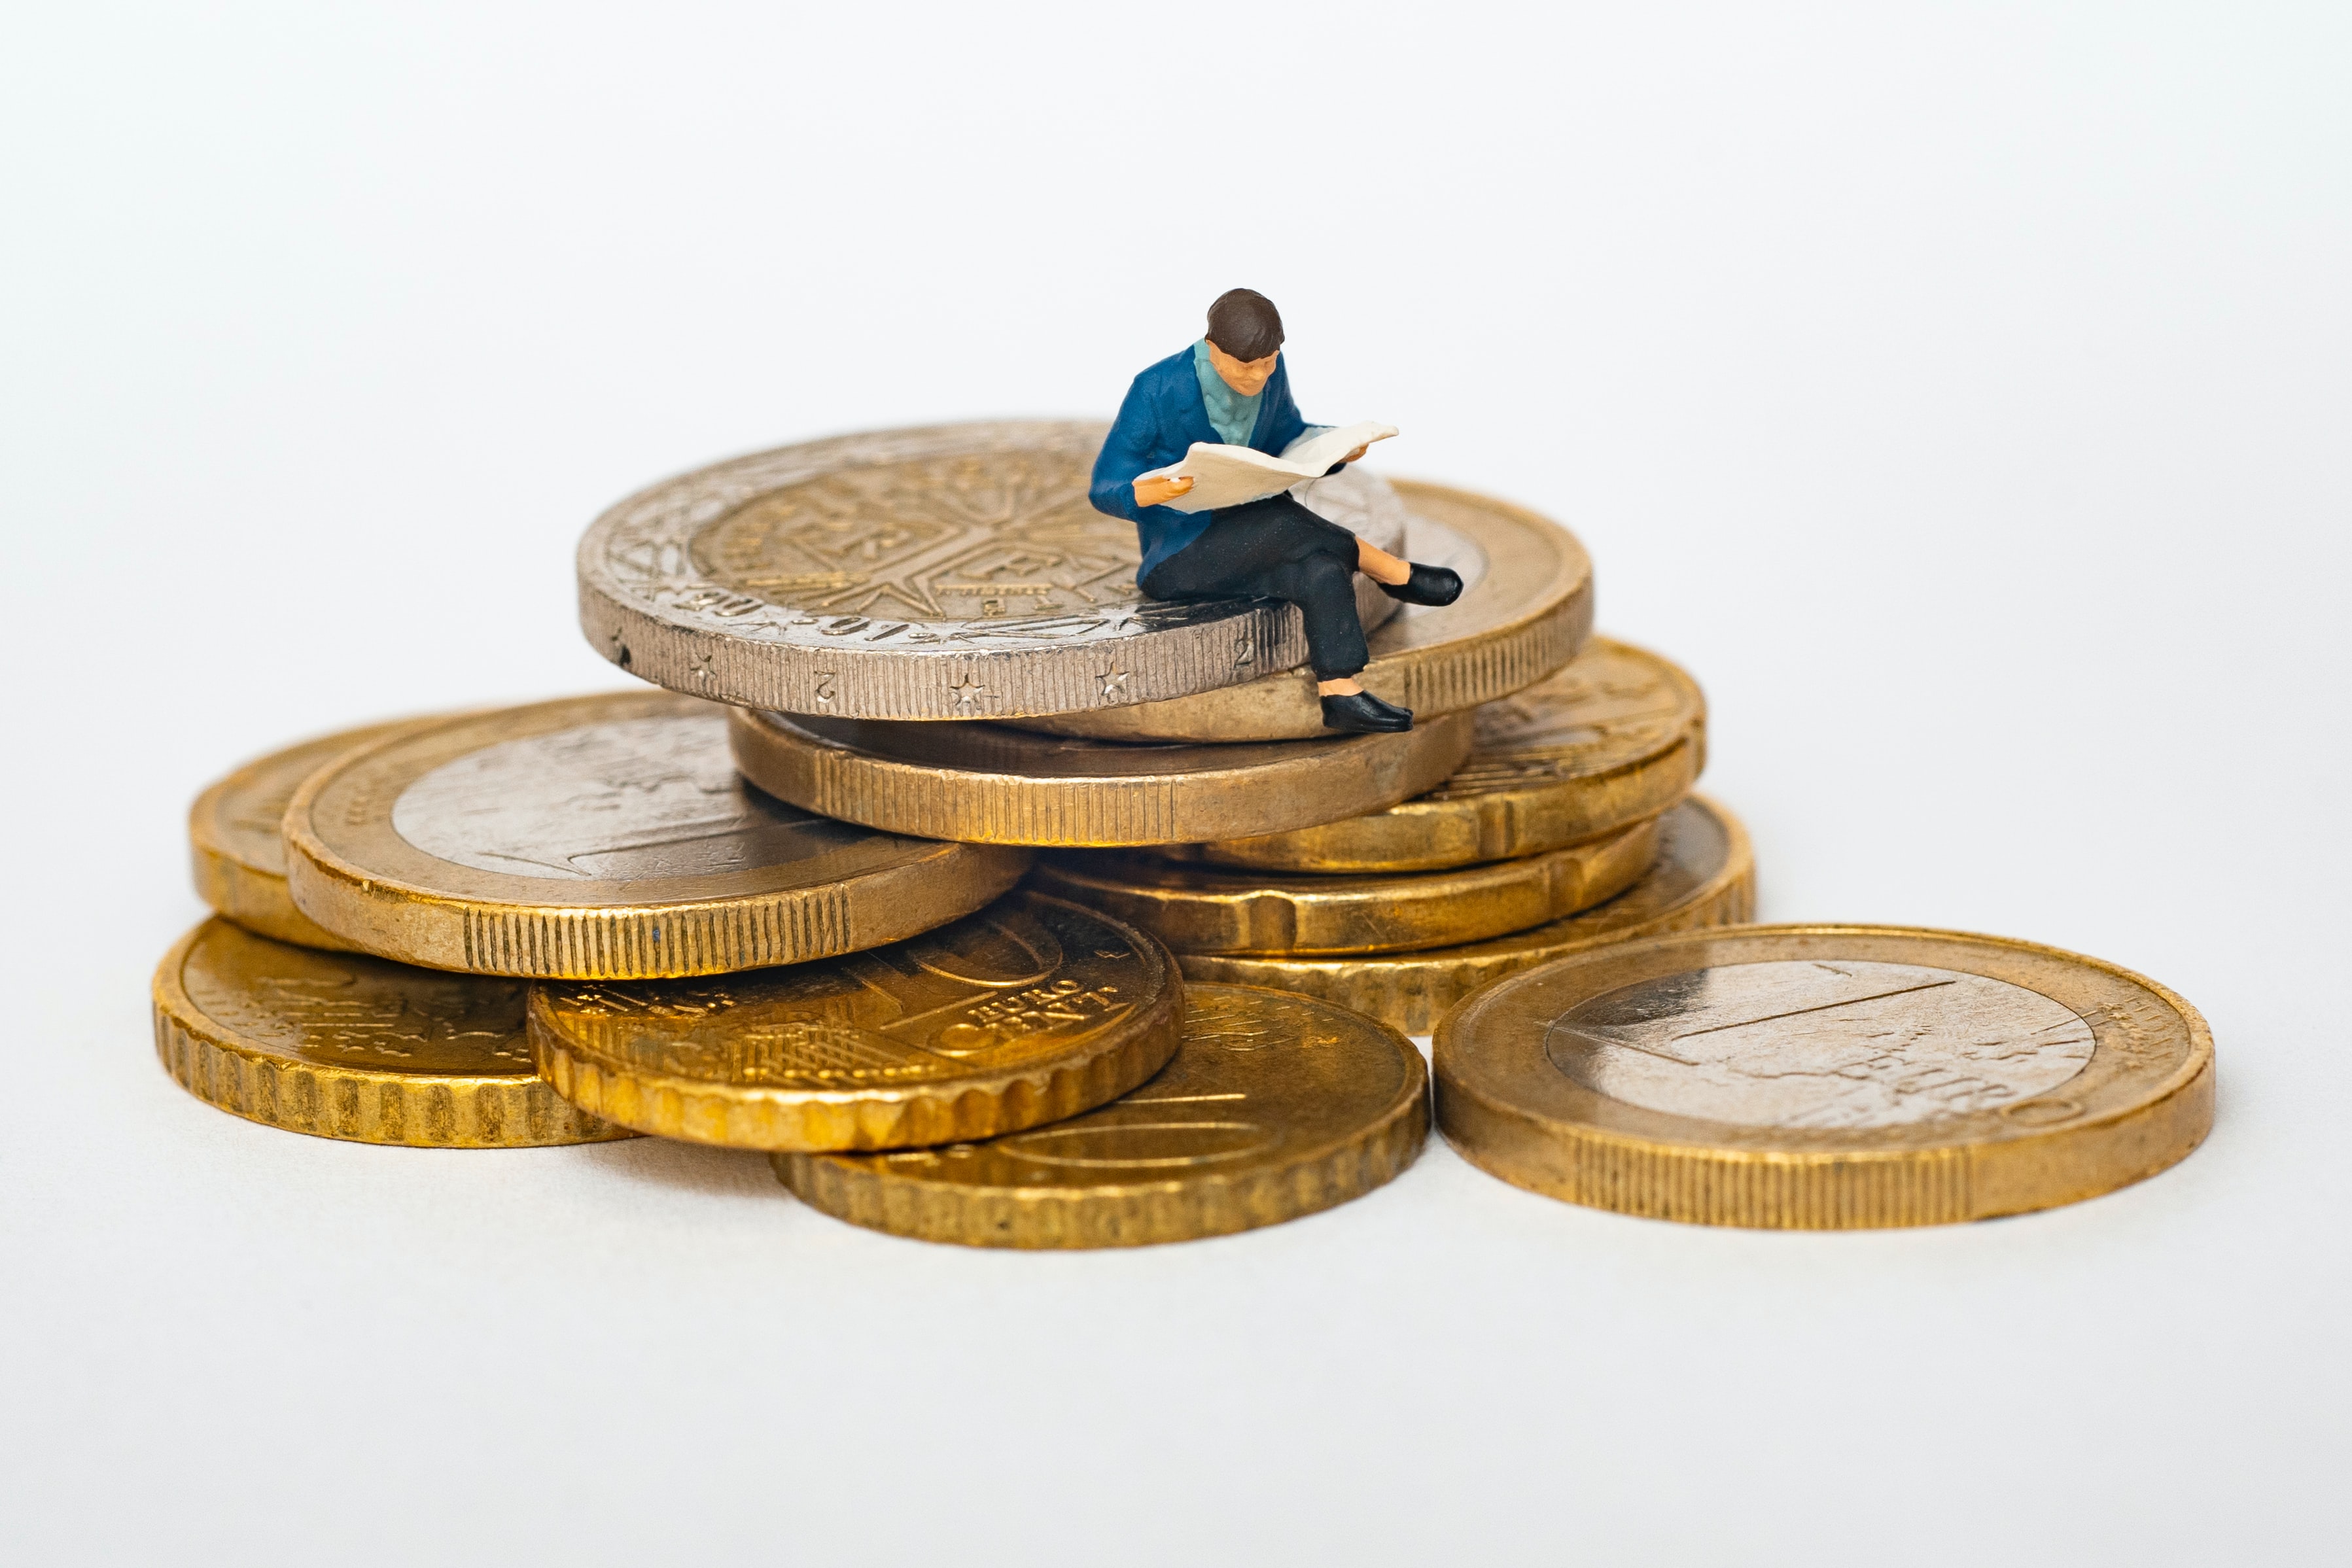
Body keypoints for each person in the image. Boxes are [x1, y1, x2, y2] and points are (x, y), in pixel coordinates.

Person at [1089, 288, 1462, 733]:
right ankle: (1393, 573)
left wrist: (1335, 448)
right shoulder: (1156, 387)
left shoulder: (1271, 370)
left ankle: (1339, 692)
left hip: (1259, 534)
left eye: (1268, 362)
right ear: (1212, 349)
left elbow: (1288, 434)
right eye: (1246, 366)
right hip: (1181, 554)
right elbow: (1105, 483)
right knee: (1282, 522)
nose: (1259, 376)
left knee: (1321, 567)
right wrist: (1148, 493)